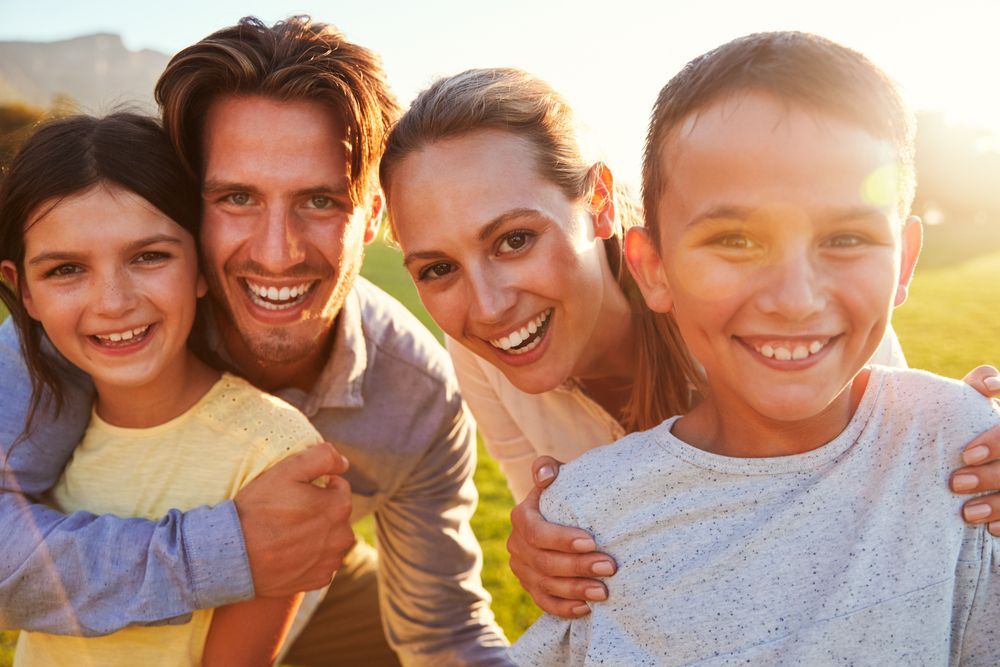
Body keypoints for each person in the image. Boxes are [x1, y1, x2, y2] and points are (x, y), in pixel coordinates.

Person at [378, 67, 1000, 618]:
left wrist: (957, 450)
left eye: (514, 239)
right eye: (438, 269)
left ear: (597, 203)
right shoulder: (476, 349)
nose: (486, 307)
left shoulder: (775, 325)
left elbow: (879, 508)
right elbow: (574, 533)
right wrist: (547, 551)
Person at [0, 17, 510, 666]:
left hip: (315, 586)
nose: (277, 253)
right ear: (189, 204)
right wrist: (227, 550)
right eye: (237, 196)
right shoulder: (98, 327)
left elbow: (444, 630)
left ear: (374, 215)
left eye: (321, 200)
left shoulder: (417, 395)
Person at [0, 112, 327, 665]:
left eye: (149, 256)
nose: (112, 301)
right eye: (64, 270)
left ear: (202, 265)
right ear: (22, 291)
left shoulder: (274, 453)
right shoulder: (39, 427)